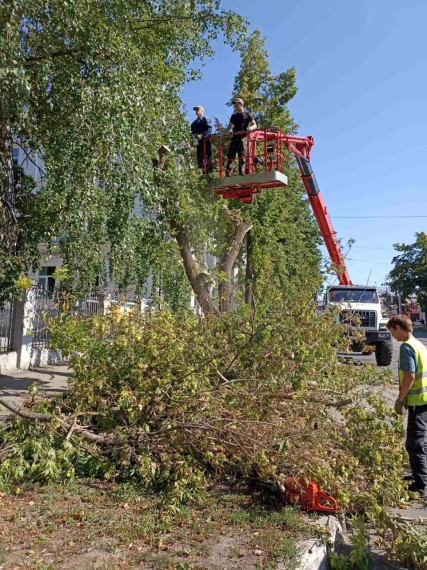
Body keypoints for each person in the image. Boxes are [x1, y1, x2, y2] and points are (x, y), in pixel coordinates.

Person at [387, 314, 427, 498]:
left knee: (414, 444)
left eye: (392, 332)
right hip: (424, 399)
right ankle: (419, 474)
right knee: (422, 441)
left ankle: (420, 484)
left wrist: (400, 399)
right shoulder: (419, 344)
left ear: (398, 327)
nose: (393, 337)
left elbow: (410, 376)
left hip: (417, 401)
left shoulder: (407, 347)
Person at [224, 98, 257, 176]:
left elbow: (254, 125)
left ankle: (241, 172)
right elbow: (229, 126)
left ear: (241, 104)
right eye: (235, 105)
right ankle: (228, 173)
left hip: (243, 137)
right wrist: (226, 132)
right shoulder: (234, 116)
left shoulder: (247, 114)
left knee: (242, 154)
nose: (236, 106)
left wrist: (250, 128)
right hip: (235, 136)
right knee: (231, 154)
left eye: (237, 104)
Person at [190, 105, 212, 174]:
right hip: (199, 143)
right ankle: (202, 172)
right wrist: (194, 140)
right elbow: (193, 133)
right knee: (200, 157)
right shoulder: (194, 123)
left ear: (202, 111)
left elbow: (209, 129)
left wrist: (202, 135)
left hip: (206, 141)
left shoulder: (206, 119)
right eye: (196, 110)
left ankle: (209, 173)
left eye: (198, 109)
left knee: (208, 156)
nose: (196, 111)